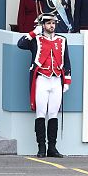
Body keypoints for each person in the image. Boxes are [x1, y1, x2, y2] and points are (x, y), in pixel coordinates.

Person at [17, 12, 71, 159]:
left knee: (53, 114)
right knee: (40, 113)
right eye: (48, 23)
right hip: (41, 79)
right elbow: (20, 44)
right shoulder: (36, 40)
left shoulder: (62, 40)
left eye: (53, 23)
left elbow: (66, 61)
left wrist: (66, 81)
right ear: (42, 24)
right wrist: (33, 32)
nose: (51, 25)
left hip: (56, 80)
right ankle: (41, 147)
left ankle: (52, 147)